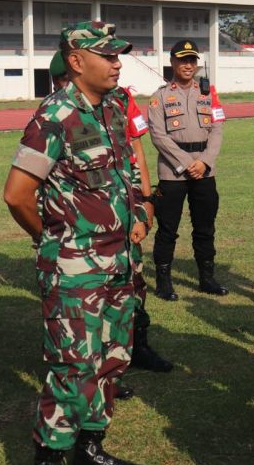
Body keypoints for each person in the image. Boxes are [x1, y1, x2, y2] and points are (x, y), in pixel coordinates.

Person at [5, 22, 151, 465]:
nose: (116, 62)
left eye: (118, 56)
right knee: (72, 365)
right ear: (75, 60)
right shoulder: (54, 116)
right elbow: (17, 194)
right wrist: (53, 239)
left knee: (111, 358)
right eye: (106, 55)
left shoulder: (111, 109)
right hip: (74, 267)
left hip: (118, 263)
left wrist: (142, 210)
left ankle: (90, 448)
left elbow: (127, 170)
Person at [49, 51, 173, 375]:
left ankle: (137, 345)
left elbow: (137, 151)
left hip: (125, 208)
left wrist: (147, 201)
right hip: (85, 226)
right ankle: (98, 365)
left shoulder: (120, 100)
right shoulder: (56, 114)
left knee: (134, 279)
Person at [148, 40, 228, 301]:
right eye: (183, 60)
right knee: (168, 228)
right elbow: (159, 136)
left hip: (205, 170)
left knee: (205, 227)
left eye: (192, 60)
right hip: (173, 172)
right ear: (172, 62)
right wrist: (185, 162)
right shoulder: (160, 97)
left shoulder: (209, 93)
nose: (188, 65)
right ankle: (164, 282)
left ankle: (207, 279)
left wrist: (204, 161)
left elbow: (217, 129)